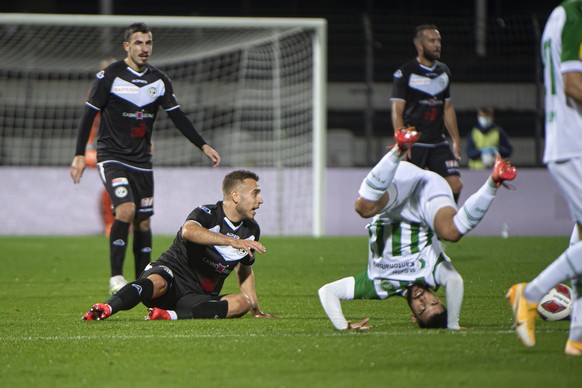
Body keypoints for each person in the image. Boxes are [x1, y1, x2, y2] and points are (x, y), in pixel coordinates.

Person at [70, 23, 221, 295]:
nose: (144, 48)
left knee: (143, 222)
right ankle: (116, 277)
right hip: (112, 156)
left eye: (148, 43)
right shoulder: (110, 76)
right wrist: (80, 154)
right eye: (138, 43)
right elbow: (88, 115)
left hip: (142, 161)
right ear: (126, 46)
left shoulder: (159, 80)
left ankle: (142, 281)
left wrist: (203, 144)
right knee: (125, 209)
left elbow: (178, 116)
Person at [318, 127, 517, 330]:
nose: (424, 301)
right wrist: (453, 324)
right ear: (439, 299)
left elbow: (327, 291)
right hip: (425, 194)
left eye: (421, 309)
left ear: (414, 316)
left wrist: (343, 326)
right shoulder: (432, 272)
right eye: (433, 302)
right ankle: (495, 181)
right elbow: (455, 281)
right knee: (451, 232)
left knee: (363, 207)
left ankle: (399, 149)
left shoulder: (379, 285)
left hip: (393, 203)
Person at [83, 170, 279, 321]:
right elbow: (189, 231)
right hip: (171, 276)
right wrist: (233, 241)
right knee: (158, 282)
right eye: (255, 194)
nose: (260, 200)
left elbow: (244, 270)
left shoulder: (251, 230)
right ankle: (107, 307)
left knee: (241, 302)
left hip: (196, 297)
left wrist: (255, 309)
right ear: (236, 196)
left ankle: (169, 315)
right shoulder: (207, 214)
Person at [508, 0, 582, 356]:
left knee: (581, 244)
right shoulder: (576, 16)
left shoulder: (559, 15)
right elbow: (572, 83)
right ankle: (532, 293)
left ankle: (577, 339)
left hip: (564, 141)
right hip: (575, 144)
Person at [391, 24, 462, 202]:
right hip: (415, 144)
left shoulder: (443, 71)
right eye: (432, 41)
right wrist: (402, 142)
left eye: (439, 40)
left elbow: (447, 107)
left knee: (455, 184)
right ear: (420, 46)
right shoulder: (405, 73)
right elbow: (397, 110)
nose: (437, 44)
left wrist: (456, 139)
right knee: (406, 193)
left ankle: (444, 227)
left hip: (438, 142)